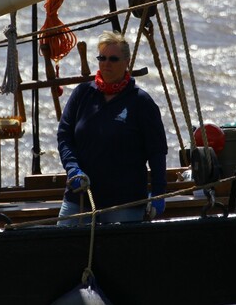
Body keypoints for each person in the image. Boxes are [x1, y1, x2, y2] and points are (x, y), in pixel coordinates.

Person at [56, 31, 168, 225]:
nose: (106, 63)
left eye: (113, 59)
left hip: (124, 203)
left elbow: (157, 151)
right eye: (102, 58)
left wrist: (158, 193)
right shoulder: (82, 94)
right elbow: (65, 135)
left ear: (127, 62)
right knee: (63, 248)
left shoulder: (141, 102)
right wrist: (72, 167)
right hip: (81, 196)